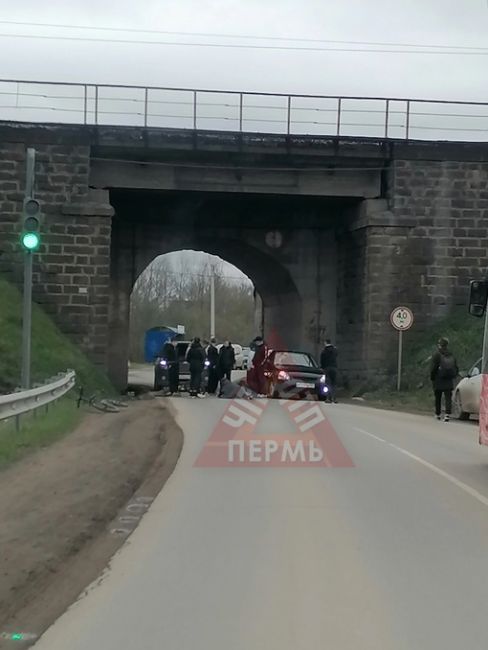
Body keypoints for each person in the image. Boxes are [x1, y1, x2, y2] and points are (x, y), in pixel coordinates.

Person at [430, 337, 459, 422]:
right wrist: (454, 375)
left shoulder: (437, 354)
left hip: (438, 379)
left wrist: (432, 377)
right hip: (448, 379)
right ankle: (447, 415)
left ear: (439, 345)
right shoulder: (451, 354)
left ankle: (438, 414)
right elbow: (456, 366)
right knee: (448, 398)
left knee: (438, 397)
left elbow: (433, 368)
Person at [320, 339, 338, 403]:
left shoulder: (324, 351)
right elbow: (336, 355)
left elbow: (322, 360)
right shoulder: (335, 350)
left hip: (327, 368)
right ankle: (335, 398)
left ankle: (328, 398)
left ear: (325, 343)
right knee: (334, 384)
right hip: (334, 368)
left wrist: (322, 368)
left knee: (328, 383)